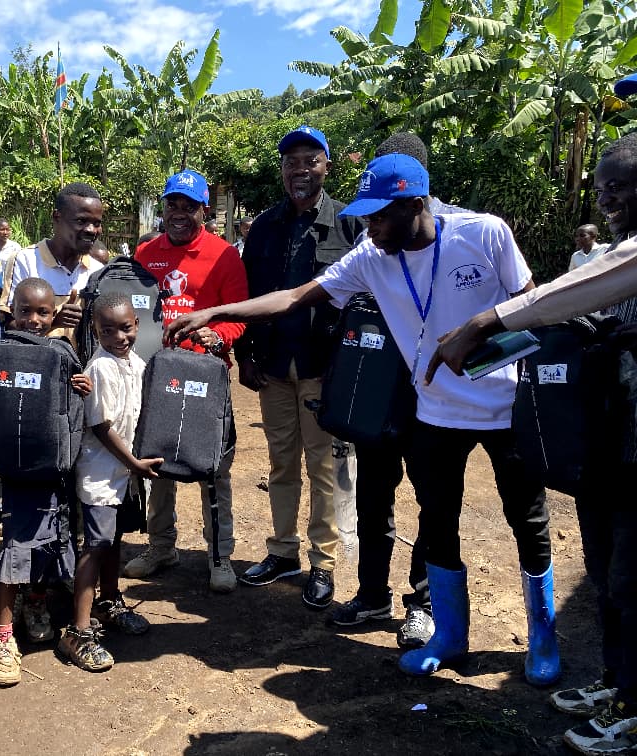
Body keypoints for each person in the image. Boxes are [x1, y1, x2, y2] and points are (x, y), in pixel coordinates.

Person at [166, 154, 558, 686]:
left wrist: (480, 334)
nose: (369, 227)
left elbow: (530, 303)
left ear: (416, 206)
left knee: (527, 520)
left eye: (378, 217)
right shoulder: (373, 256)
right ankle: (449, 635)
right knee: (437, 521)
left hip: (504, 406)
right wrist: (216, 313)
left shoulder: (483, 234)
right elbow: (295, 296)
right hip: (436, 412)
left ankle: (542, 636)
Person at [426, 130, 637, 756]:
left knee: (631, 580)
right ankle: (617, 683)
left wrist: (486, 320)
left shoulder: (625, 259)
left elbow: (568, 297)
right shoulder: (615, 249)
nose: (607, 200)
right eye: (602, 189)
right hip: (612, 439)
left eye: (620, 187)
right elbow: (573, 320)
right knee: (603, 571)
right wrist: (491, 352)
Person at [332, 130, 468, 648]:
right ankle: (371, 594)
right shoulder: (375, 236)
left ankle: (423, 602)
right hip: (378, 385)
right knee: (373, 492)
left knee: (434, 498)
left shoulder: (454, 232)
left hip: (433, 390)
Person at [234, 125, 363, 611]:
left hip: (321, 368)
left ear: (326, 166)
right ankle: (283, 552)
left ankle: (323, 563)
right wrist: (246, 355)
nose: (300, 170)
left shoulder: (351, 226)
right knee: (281, 463)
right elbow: (250, 296)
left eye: (310, 160)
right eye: (292, 162)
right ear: (283, 172)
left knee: (325, 466)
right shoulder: (265, 227)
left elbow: (364, 300)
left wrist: (348, 367)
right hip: (272, 366)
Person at [124, 169, 249, 593]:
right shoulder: (146, 252)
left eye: (188, 206)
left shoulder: (224, 255)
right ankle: (161, 547)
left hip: (205, 377)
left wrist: (219, 335)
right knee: (157, 462)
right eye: (172, 204)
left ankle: (220, 556)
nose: (179, 213)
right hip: (157, 377)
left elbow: (237, 316)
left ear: (204, 211)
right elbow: (135, 312)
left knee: (214, 468)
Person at [0, 277, 89, 686]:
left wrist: (84, 386)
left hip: (53, 470)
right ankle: (3, 636)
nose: (34, 320)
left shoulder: (63, 351)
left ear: (55, 313)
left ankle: (37, 603)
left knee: (49, 541)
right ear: (11, 308)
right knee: (15, 546)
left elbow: (74, 401)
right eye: (25, 310)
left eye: (44, 312)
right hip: (14, 472)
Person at [62, 291, 161, 672]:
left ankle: (109, 600)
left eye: (125, 328)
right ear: (95, 331)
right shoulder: (100, 368)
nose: (119, 337)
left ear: (137, 326)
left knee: (115, 539)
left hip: (125, 474)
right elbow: (101, 427)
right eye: (108, 331)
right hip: (103, 470)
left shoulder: (136, 363)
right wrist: (134, 461)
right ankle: (78, 630)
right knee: (97, 542)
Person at [0, 182, 105, 341]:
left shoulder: (97, 271)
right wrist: (54, 323)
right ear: (57, 217)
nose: (91, 230)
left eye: (96, 223)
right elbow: (9, 325)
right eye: (81, 221)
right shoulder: (25, 260)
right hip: (36, 362)